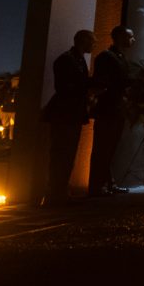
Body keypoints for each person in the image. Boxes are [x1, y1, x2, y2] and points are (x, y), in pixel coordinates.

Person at [42, 29, 95, 206]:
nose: (93, 45)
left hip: (73, 112)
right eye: (91, 41)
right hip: (64, 112)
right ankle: (55, 191)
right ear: (82, 41)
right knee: (60, 152)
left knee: (69, 152)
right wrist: (87, 87)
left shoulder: (78, 60)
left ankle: (61, 189)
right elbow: (64, 87)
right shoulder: (65, 60)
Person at [88, 25, 135, 196]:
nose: (133, 40)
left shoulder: (120, 57)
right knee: (102, 148)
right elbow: (103, 83)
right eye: (130, 37)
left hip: (116, 109)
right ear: (121, 37)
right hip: (108, 109)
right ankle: (96, 186)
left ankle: (107, 183)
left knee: (110, 149)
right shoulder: (106, 57)